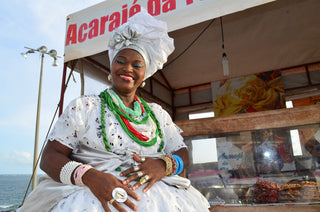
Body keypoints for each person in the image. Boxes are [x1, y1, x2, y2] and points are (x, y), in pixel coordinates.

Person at [18, 9, 210, 212]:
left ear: (145, 75)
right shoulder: (85, 107)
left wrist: (162, 165)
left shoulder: (158, 115)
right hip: (89, 198)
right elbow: (49, 157)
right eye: (121, 61)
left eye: (137, 65)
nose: (128, 68)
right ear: (111, 66)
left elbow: (183, 154)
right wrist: (91, 177)